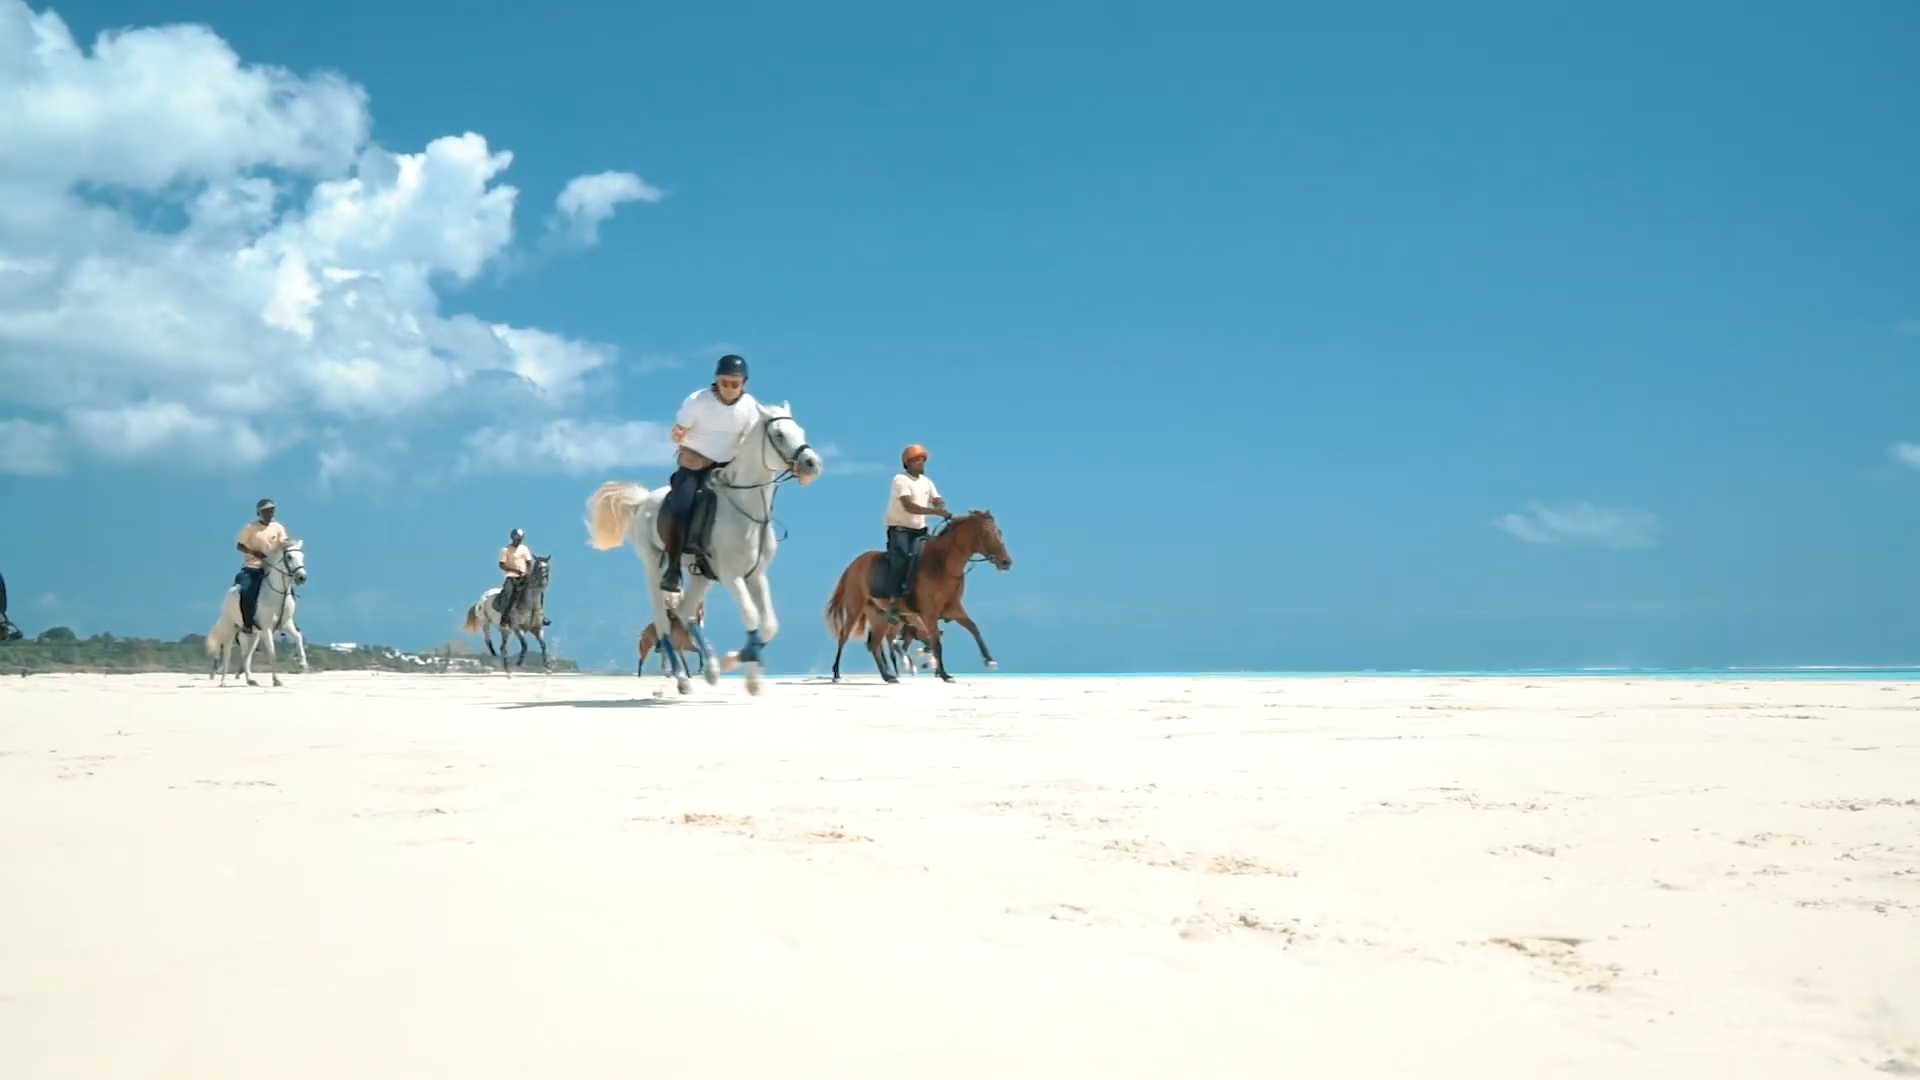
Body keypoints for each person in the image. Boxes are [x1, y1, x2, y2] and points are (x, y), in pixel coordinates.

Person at [661, 354, 759, 594]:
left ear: (743, 383)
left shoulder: (750, 407)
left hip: (726, 466)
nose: (729, 388)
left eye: (734, 384)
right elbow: (679, 429)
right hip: (695, 461)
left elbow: (748, 439)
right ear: (716, 380)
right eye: (724, 383)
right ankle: (673, 569)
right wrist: (677, 434)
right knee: (682, 505)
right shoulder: (697, 401)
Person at [882, 443, 950, 620]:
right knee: (902, 558)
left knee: (931, 559)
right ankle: (893, 602)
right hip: (900, 530)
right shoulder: (900, 480)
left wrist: (939, 504)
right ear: (908, 463)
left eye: (922, 460)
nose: (921, 463)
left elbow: (936, 497)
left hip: (920, 530)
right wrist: (935, 512)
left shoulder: (926, 482)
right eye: (917, 460)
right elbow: (909, 506)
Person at [234, 498, 288, 633]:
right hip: (254, 566)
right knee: (247, 591)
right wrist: (253, 552)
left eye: (271, 511)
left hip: (273, 566)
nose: (268, 514)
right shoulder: (250, 528)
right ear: (259, 513)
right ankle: (247, 623)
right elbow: (239, 545)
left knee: (287, 590)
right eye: (265, 511)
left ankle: (287, 619)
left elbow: (283, 543)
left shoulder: (278, 527)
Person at [494, 528, 531, 615]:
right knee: (507, 594)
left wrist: (528, 572)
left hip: (523, 577)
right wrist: (515, 570)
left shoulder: (524, 549)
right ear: (512, 539)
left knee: (535, 592)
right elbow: (502, 565)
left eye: (520, 540)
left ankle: (540, 615)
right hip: (511, 577)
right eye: (517, 539)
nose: (518, 541)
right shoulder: (505, 549)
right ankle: (504, 616)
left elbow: (528, 562)